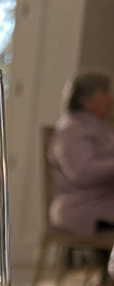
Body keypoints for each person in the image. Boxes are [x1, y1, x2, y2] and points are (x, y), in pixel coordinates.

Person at [49, 71, 114, 236]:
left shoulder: (101, 127)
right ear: (85, 99)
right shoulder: (71, 129)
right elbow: (81, 172)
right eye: (104, 93)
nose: (110, 98)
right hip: (83, 207)